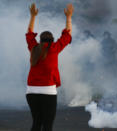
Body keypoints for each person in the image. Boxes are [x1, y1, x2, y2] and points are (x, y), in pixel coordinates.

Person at [25, 3, 74, 131]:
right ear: (52, 40)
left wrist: (33, 16)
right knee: (47, 125)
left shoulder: (34, 48)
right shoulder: (54, 48)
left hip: (31, 90)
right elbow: (67, 35)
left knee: (36, 122)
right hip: (48, 91)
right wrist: (68, 17)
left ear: (40, 40)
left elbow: (29, 33)